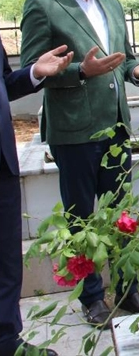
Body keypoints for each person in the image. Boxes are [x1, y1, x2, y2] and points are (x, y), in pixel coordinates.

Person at [19, 0, 139, 329]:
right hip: (75, 132)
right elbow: (34, 70)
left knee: (123, 215)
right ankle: (92, 297)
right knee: (82, 218)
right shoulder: (43, 5)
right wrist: (81, 71)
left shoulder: (112, 4)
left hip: (115, 127)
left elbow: (128, 57)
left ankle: (129, 289)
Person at [1, 42, 72, 356]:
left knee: (6, 260)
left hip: (2, 163)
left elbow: (5, 84)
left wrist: (32, 73)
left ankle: (7, 341)